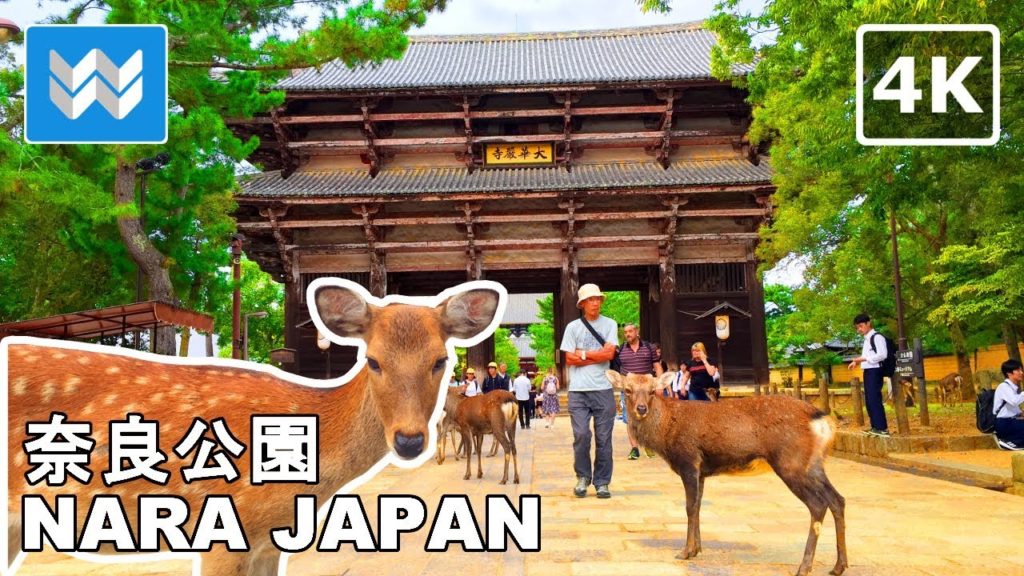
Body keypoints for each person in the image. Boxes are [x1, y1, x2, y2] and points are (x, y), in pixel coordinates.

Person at [560, 283, 618, 499]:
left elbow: (609, 354)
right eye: (590, 299)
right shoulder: (572, 327)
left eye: (597, 299)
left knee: (604, 439)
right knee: (581, 436)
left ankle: (602, 482)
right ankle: (583, 476)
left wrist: (582, 354)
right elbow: (569, 358)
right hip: (578, 390)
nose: (595, 303)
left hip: (603, 388)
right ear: (582, 304)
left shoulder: (610, 324)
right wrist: (596, 355)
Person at [616, 323, 662, 460]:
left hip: (646, 390)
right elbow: (619, 370)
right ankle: (634, 448)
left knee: (648, 417)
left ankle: (648, 445)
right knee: (629, 419)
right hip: (630, 391)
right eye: (625, 332)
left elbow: (657, 366)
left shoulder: (649, 347)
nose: (627, 334)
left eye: (630, 331)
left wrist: (659, 385)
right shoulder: (621, 349)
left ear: (637, 332)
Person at [847, 313, 890, 437]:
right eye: (857, 327)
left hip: (875, 371)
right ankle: (875, 427)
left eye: (861, 326)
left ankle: (882, 428)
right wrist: (856, 361)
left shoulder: (877, 337)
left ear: (868, 323)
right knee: (869, 400)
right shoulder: (867, 339)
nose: (859, 329)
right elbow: (866, 356)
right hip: (868, 370)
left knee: (874, 399)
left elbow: (882, 355)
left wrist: (863, 359)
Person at [994, 359, 1024, 451]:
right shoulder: (1004, 387)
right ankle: (1009, 442)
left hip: (1011, 422)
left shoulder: (1012, 388)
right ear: (1009, 373)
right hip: (1004, 423)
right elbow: (1014, 401)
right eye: (1018, 370)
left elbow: (1012, 408)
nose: (1021, 373)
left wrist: (1020, 413)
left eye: (1021, 370)